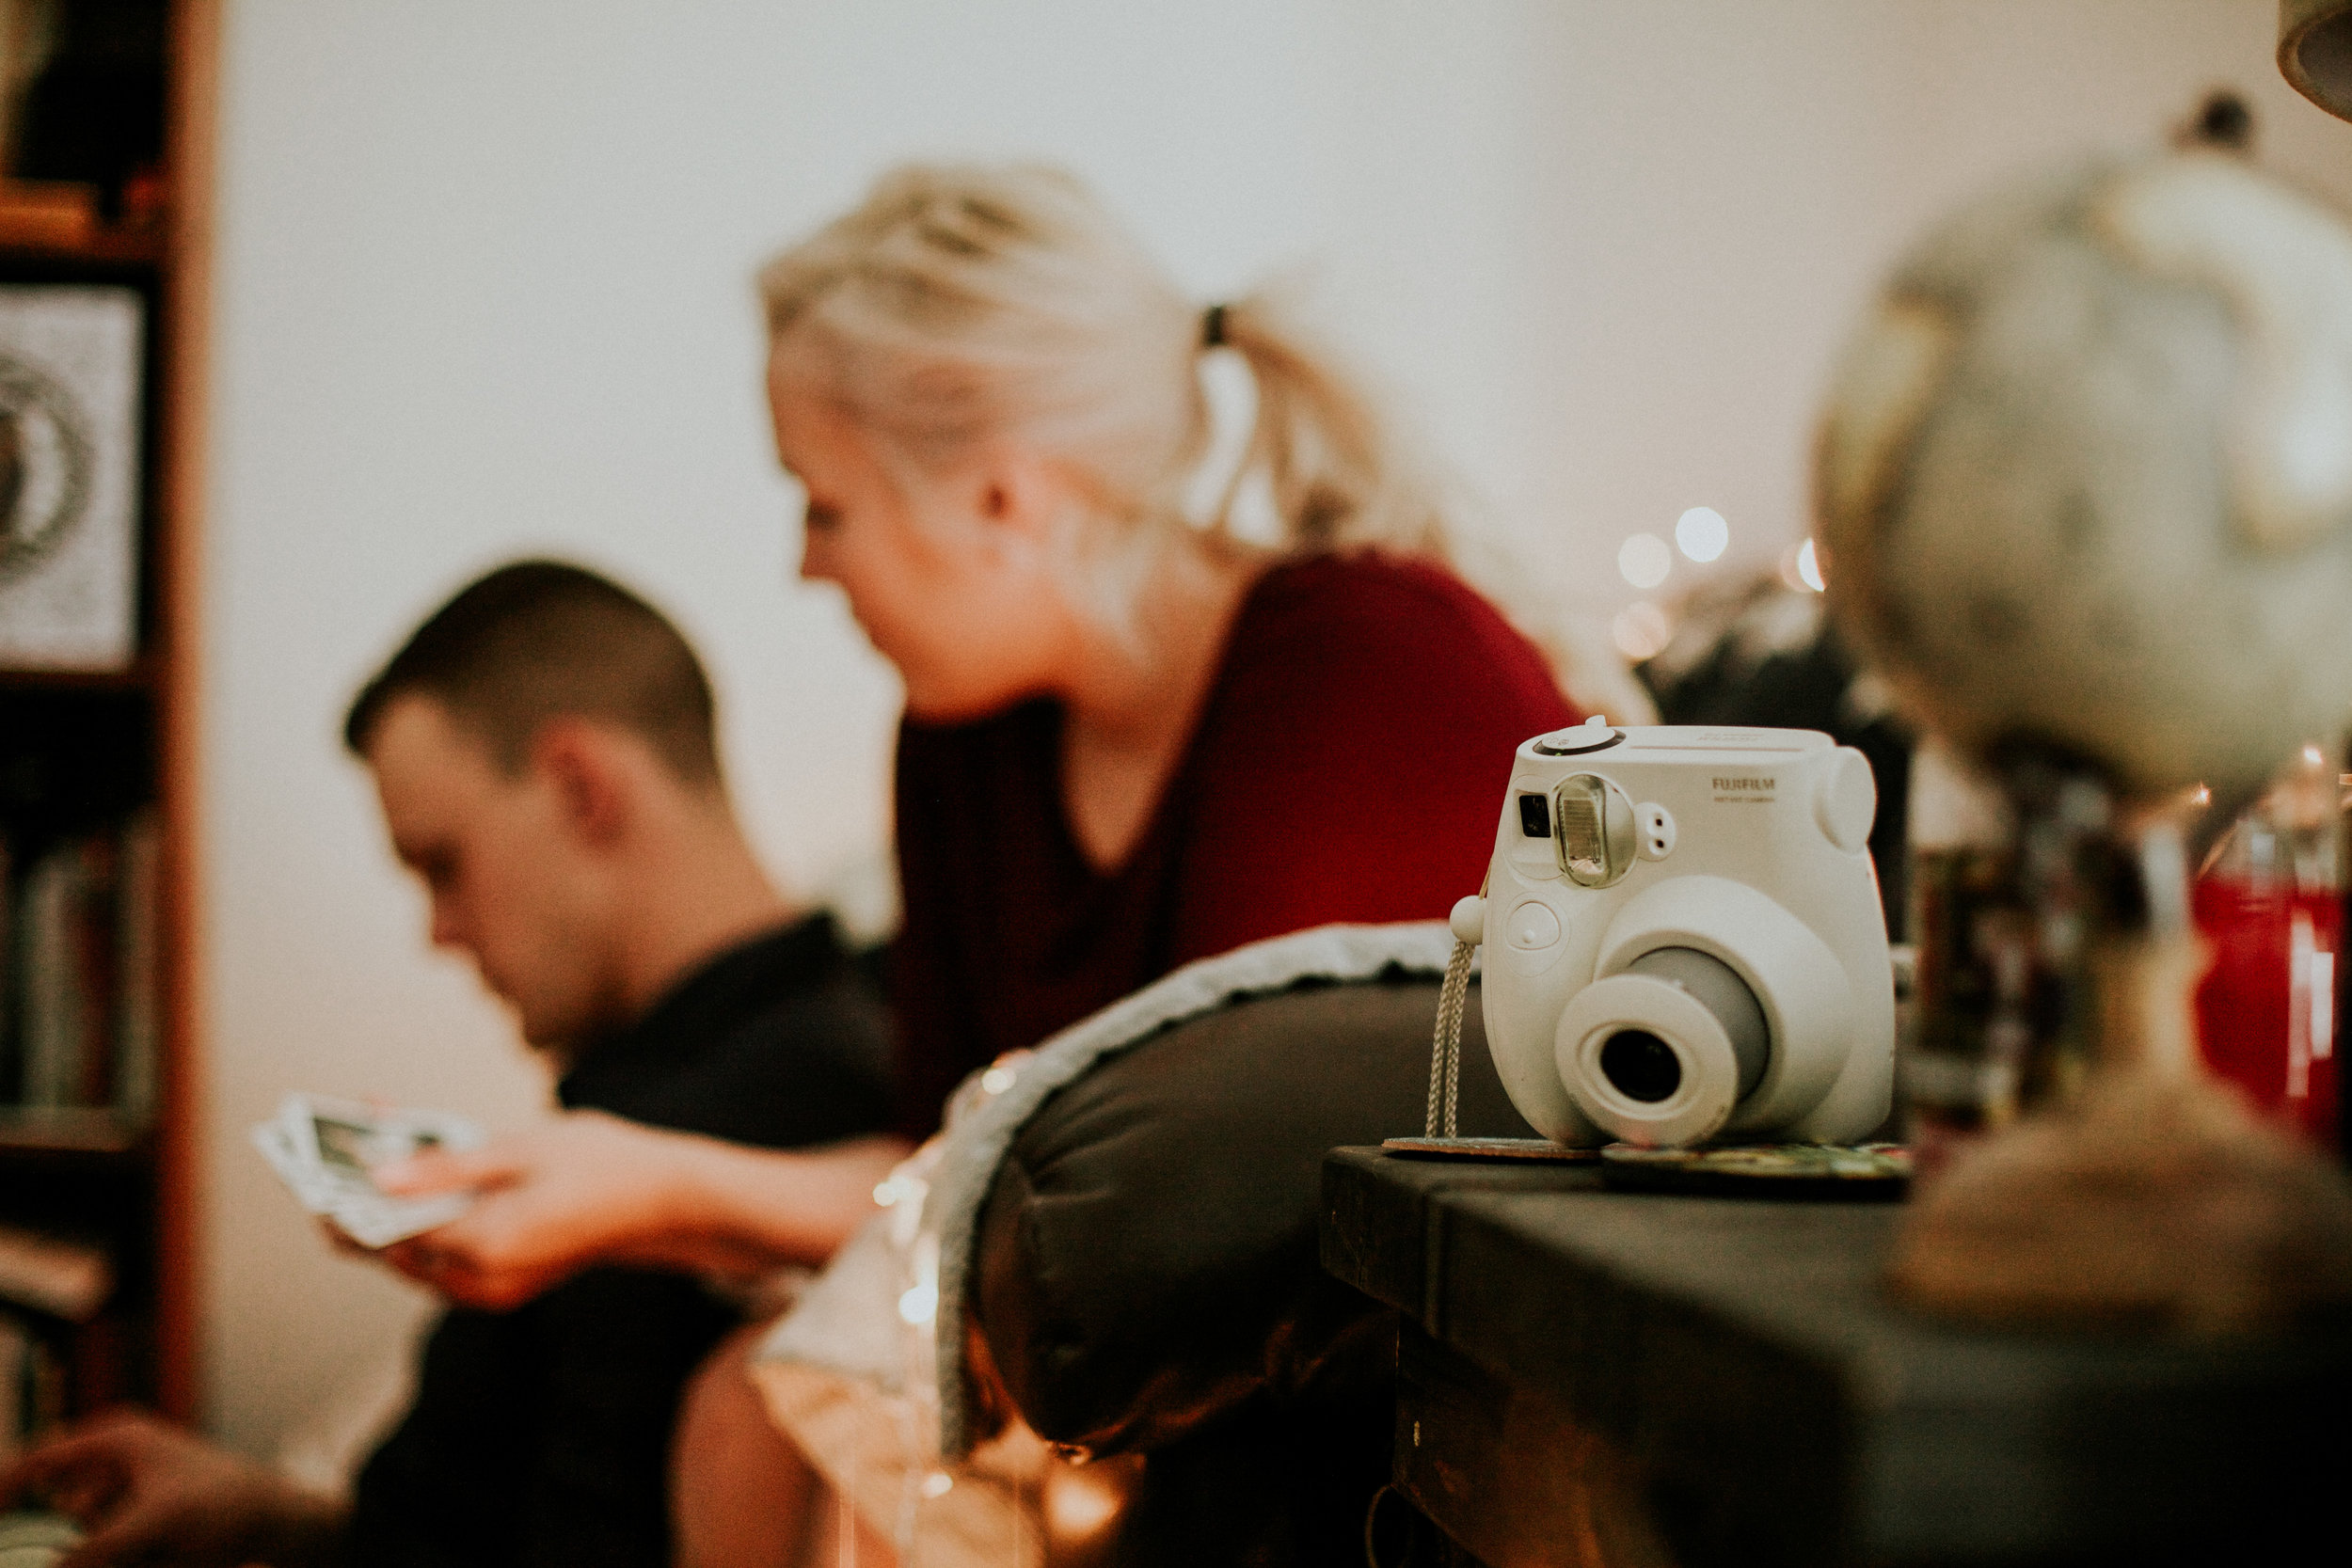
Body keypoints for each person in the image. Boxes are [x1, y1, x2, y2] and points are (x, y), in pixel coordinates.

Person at [356, 165, 1587, 1563]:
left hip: (1382, 1426)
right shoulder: (963, 747)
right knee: (751, 1411)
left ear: (1001, 495)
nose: (805, 565)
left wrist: (670, 1186)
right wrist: (621, 1188)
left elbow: (1197, 1237)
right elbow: (945, 1160)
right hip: (1158, 1399)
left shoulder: (1361, 670)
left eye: (823, 504)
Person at [0, 562, 895, 1568]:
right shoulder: (678, 1081)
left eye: (442, 863)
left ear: (579, 786)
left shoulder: (746, 1109)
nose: (439, 931)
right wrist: (262, 1512)